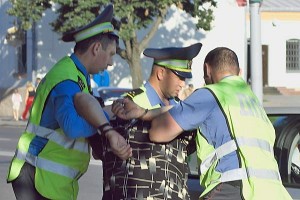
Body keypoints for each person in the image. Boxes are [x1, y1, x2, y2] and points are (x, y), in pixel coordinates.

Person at [112, 47, 293, 200]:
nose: (183, 84)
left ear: (207, 70)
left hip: (234, 188)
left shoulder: (211, 94)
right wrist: (145, 112)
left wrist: (145, 115)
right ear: (239, 72)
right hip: (273, 192)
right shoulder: (252, 102)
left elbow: (158, 133)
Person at [6, 5, 131, 200]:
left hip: (50, 179)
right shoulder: (66, 78)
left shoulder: (78, 76)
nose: (111, 63)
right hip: (37, 175)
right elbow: (71, 127)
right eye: (112, 54)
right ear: (96, 48)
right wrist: (106, 115)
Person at [103, 43, 202, 199]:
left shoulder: (177, 106)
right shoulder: (133, 102)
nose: (183, 83)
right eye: (179, 77)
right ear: (161, 73)